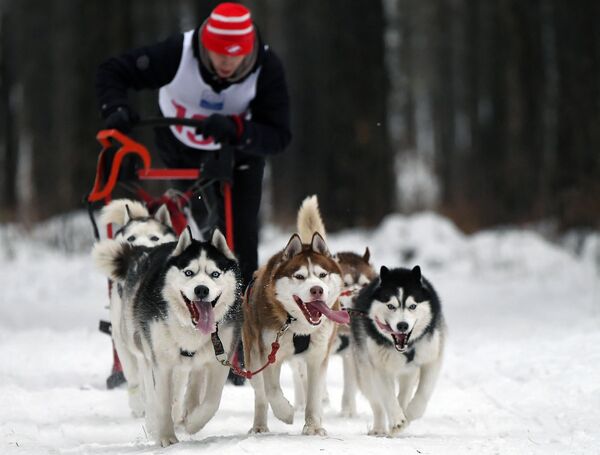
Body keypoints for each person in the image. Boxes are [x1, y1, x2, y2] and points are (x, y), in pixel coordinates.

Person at [95, 2, 291, 290]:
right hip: (180, 147)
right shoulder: (178, 52)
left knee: (239, 239)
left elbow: (278, 135)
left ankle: (242, 312)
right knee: (195, 225)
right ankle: (182, 295)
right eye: (218, 54)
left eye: (234, 57)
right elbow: (113, 71)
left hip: (238, 153)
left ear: (248, 52)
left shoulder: (267, 67)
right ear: (205, 45)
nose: (226, 63)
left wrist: (238, 129)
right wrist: (116, 109)